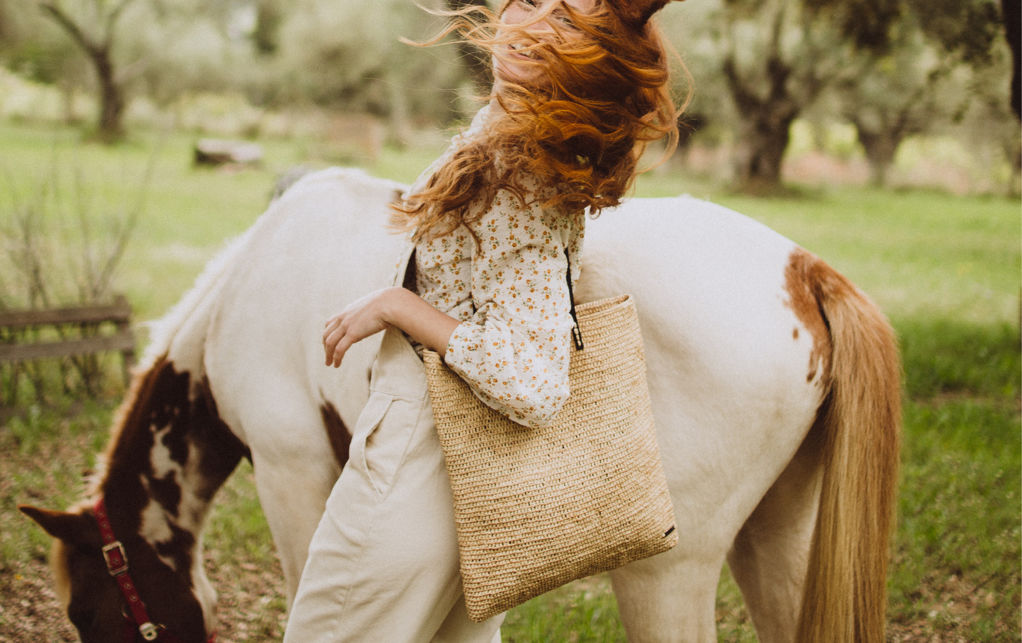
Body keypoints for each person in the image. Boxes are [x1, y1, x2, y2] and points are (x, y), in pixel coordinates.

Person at [284, 0, 682, 640]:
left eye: (567, 22)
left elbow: (532, 382)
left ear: (593, 58)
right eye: (527, 2)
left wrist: (397, 306)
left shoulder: (518, 175)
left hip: (419, 471)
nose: (529, 26)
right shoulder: (512, 142)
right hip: (470, 486)